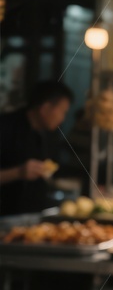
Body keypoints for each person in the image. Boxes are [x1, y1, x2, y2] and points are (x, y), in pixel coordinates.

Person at [0, 81, 73, 215]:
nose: (62, 118)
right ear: (45, 108)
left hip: (34, 215)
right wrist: (18, 172)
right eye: (62, 112)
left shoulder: (47, 135)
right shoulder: (5, 127)